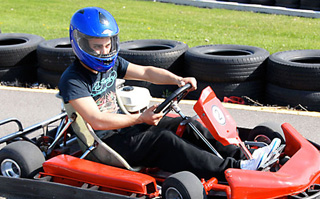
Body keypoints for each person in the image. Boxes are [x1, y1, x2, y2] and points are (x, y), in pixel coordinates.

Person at [59, 7, 280, 180]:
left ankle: (242, 156)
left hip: (125, 127)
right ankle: (235, 169)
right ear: (80, 43)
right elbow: (96, 121)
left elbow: (146, 72)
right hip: (108, 142)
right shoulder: (73, 79)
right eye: (97, 47)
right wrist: (140, 118)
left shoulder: (111, 64)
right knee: (163, 140)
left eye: (107, 45)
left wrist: (177, 80)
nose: (104, 52)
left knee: (185, 123)